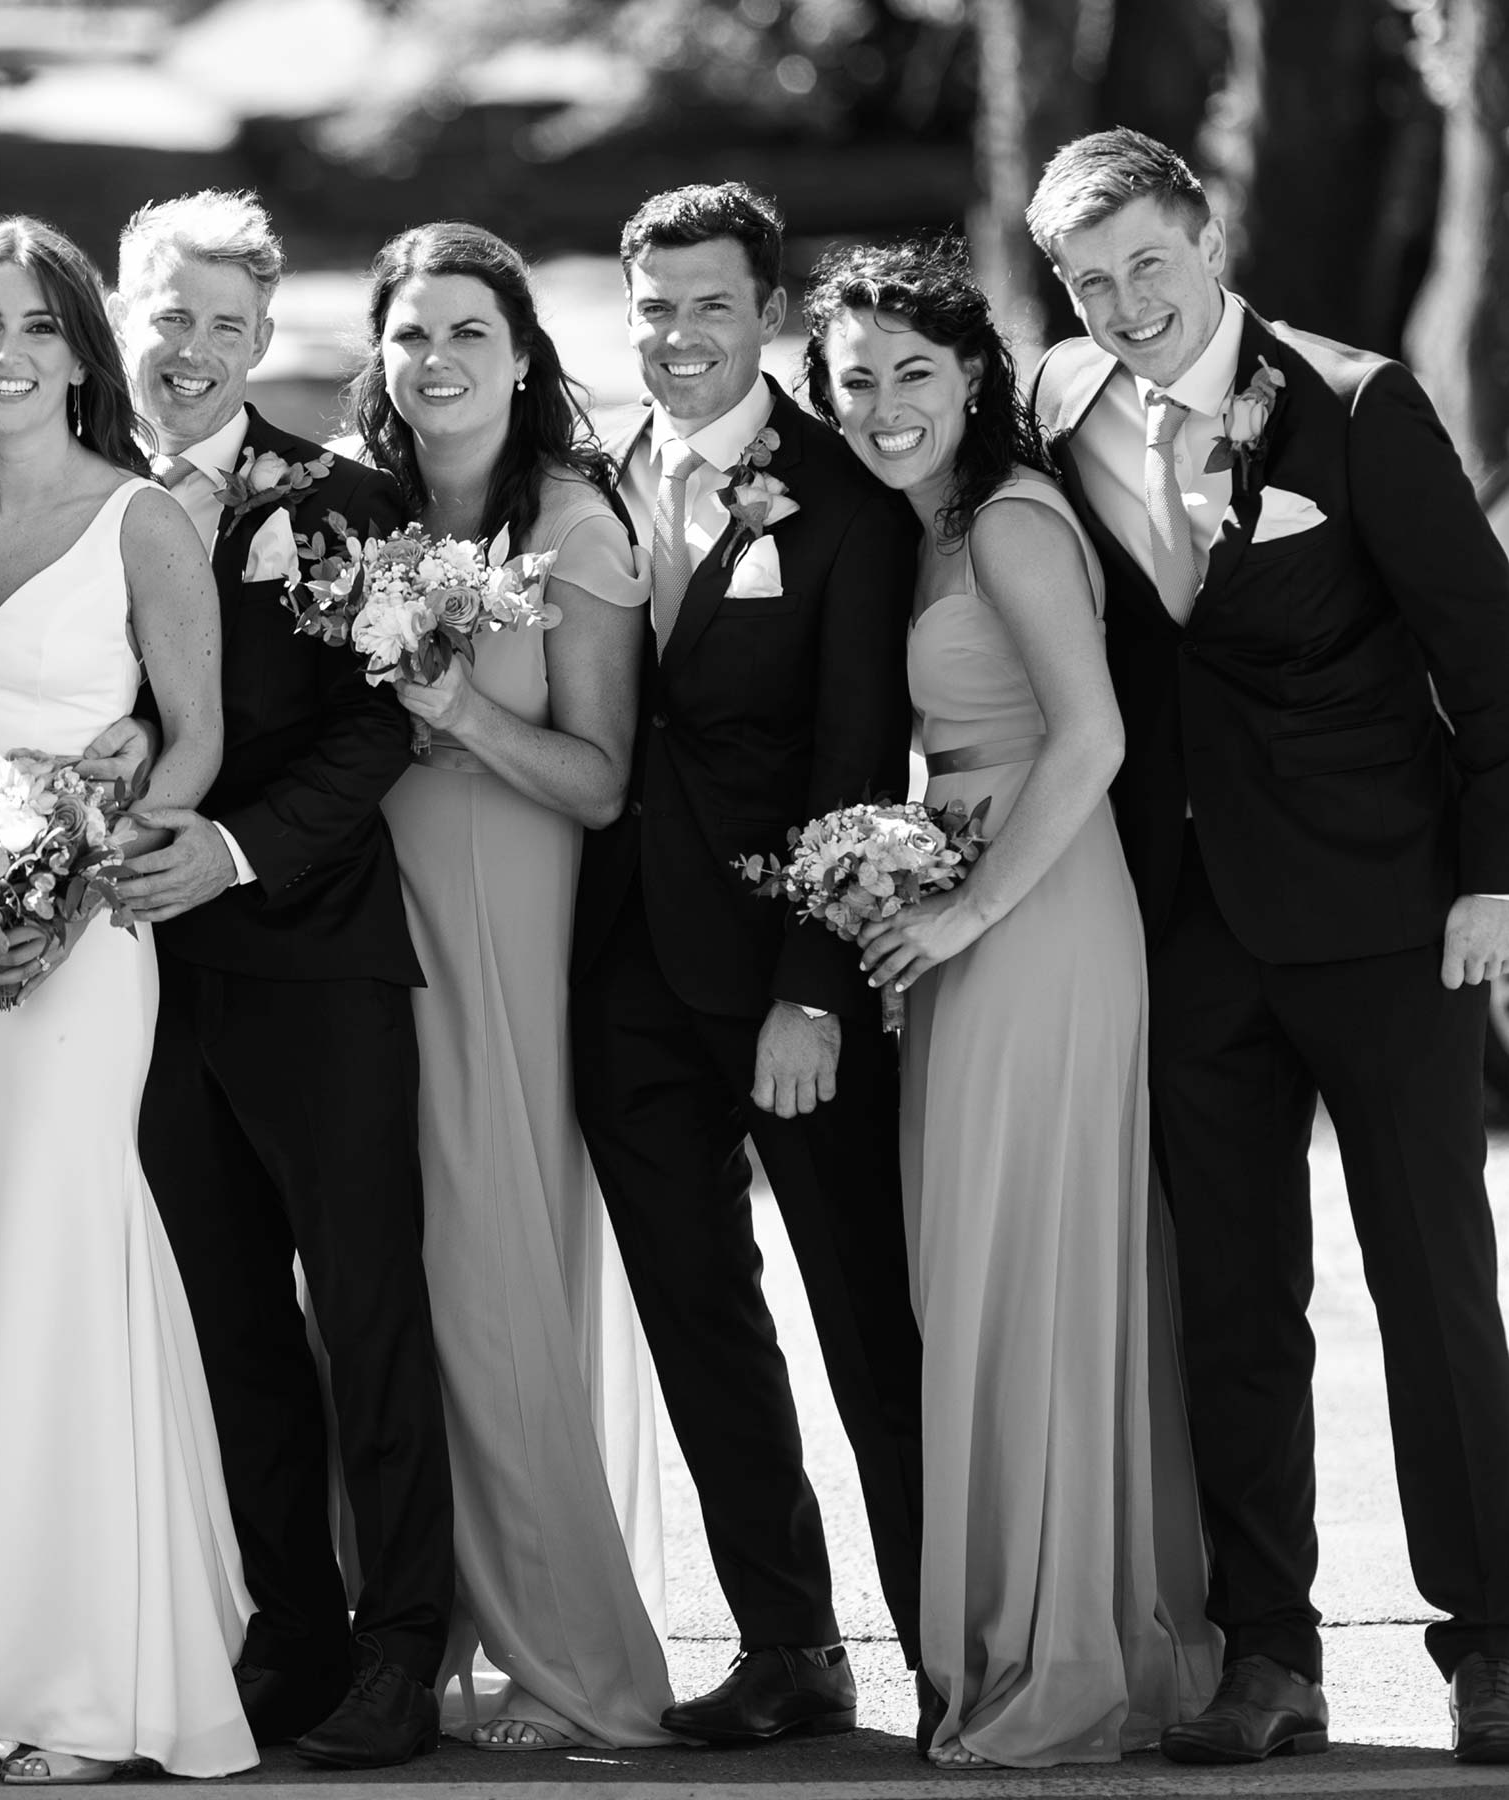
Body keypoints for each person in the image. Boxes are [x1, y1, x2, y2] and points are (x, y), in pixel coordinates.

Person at [1027, 128, 1509, 1768]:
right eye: (1089, 282)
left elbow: (1487, 653)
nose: (1124, 305)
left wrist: (1494, 882)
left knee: (1434, 1285)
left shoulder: (1356, 406)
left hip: (1388, 919)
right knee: (1231, 1301)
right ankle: (1270, 1653)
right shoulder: (1058, 410)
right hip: (1185, 927)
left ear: (1211, 241)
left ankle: (1491, 1637)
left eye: (1147, 264)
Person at [805, 236, 1223, 1767]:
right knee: (979, 1279)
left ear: (976, 374)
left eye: (914, 372)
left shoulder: (1012, 521)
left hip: (1038, 915)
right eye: (857, 380)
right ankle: (1011, 1647)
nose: (885, 405)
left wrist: (971, 908)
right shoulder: (921, 527)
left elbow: (1091, 737)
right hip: (964, 905)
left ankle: (1065, 1663)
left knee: (1034, 1274)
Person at [565, 181, 930, 1746]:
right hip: (622, 973)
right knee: (699, 1318)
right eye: (654, 306)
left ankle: (952, 1649)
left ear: (769, 314)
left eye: (711, 304)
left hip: (785, 978)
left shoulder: (842, 497)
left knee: (867, 1317)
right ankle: (789, 1645)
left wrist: (814, 990)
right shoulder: (595, 477)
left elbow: (860, 761)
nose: (679, 334)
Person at [0, 214, 242, 1783]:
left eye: (39, 325)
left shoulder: (141, 520)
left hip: (80, 942)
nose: (8, 352)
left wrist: (79, 886)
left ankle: (99, 1689)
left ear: (84, 347)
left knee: (62, 1262)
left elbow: (196, 740)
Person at [103, 191, 459, 1770]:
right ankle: (291, 1630)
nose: (193, 349)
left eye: (227, 327)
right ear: (125, 314)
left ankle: (403, 1644)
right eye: (171, 316)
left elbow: (380, 728)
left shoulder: (342, 500)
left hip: (314, 958)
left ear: (262, 343)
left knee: (368, 1308)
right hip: (129, 977)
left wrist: (236, 852)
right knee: (229, 1318)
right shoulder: (61, 481)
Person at [333, 221, 674, 1751]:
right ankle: (401, 1626)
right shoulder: (357, 511)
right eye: (413, 333)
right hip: (359, 928)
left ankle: (572, 1658)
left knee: (488, 1287)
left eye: (470, 330)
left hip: (499, 933)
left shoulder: (574, 527)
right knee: (370, 1295)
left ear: (525, 354)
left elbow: (600, 781)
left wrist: (460, 710)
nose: (439, 359)